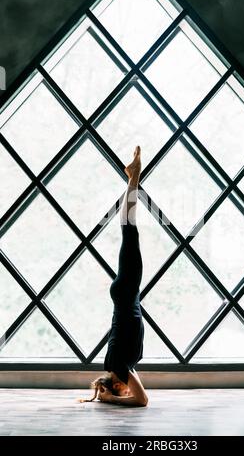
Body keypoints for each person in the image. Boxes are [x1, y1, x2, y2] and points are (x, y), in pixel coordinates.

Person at [80, 146, 148, 407]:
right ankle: (133, 177)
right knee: (129, 232)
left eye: (123, 392)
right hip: (123, 295)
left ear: (117, 385)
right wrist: (105, 395)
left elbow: (142, 401)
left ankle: (134, 177)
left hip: (127, 292)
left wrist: (109, 400)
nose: (128, 392)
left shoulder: (120, 368)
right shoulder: (114, 364)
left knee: (129, 230)